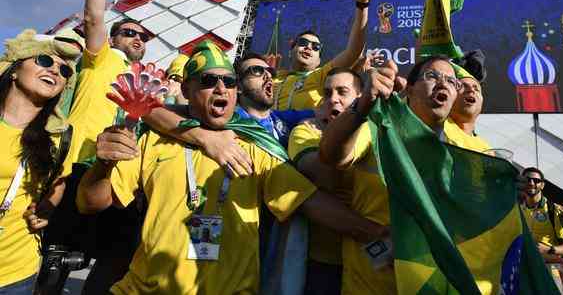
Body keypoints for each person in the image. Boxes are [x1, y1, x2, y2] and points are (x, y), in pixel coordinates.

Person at [76, 40, 387, 295]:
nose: (221, 89)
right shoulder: (152, 141)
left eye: (229, 82)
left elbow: (308, 201)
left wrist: (377, 234)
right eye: (209, 81)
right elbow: (91, 202)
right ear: (186, 91)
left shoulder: (255, 146)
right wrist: (102, 166)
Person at [318, 55, 499, 294]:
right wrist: (362, 106)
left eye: (451, 81)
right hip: (373, 286)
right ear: (410, 89)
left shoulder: (465, 148)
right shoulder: (378, 125)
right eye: (432, 76)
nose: (443, 83)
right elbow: (332, 155)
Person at [63, 0, 151, 295]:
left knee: (113, 264)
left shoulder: (146, 78)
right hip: (78, 166)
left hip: (121, 177)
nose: (137, 39)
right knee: (56, 259)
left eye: (143, 36)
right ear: (112, 39)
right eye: (128, 32)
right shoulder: (102, 58)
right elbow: (93, 17)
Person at [0, 29, 80, 293]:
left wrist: (46, 209)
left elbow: (59, 182)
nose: (56, 71)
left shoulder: (60, 137)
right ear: (14, 69)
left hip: (15, 272)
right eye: (44, 61)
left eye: (65, 71)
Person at [288, 67, 363, 295]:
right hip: (324, 264)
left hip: (372, 260)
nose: (333, 99)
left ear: (361, 98)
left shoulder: (377, 129)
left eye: (342, 92)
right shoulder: (306, 131)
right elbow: (325, 176)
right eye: (328, 93)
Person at [274, 0, 374, 111]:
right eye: (303, 43)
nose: (308, 48)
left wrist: (362, 4)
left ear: (319, 59)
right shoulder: (273, 77)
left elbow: (353, 51)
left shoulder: (322, 77)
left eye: (316, 47)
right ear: (291, 49)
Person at [235, 51, 313, 147]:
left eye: (270, 71)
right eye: (257, 70)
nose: (268, 75)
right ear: (238, 86)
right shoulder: (231, 124)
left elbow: (325, 112)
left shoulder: (283, 119)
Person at [519, 167, 563, 294]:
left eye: (536, 180)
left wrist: (550, 249)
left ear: (542, 185)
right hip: (528, 269)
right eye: (527, 179)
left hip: (552, 268)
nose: (531, 183)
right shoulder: (518, 210)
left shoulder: (555, 210)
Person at [444, 62, 492, 153]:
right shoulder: (436, 124)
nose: (471, 90)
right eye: (463, 86)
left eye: (476, 89)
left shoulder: (487, 149)